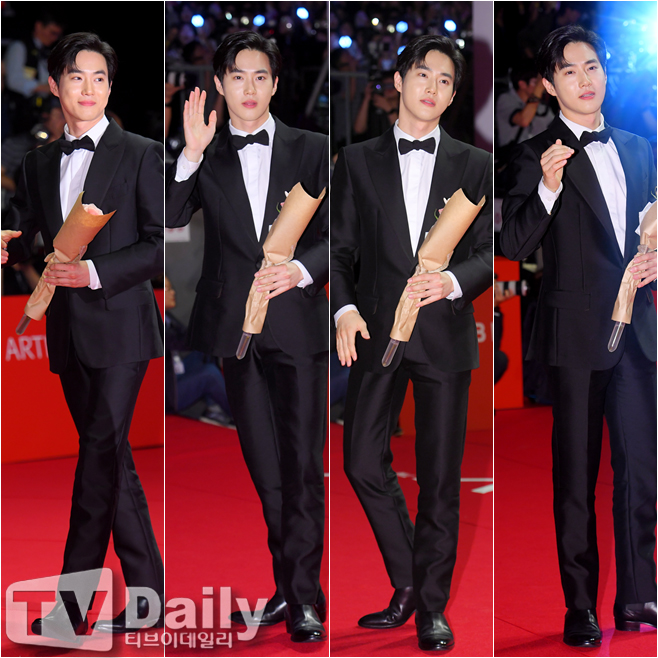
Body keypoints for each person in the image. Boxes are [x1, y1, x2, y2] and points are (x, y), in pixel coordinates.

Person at [165, 31, 329, 643]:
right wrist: (189, 153)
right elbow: (170, 216)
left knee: (302, 466)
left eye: (261, 76)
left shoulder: (312, 148)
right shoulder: (205, 153)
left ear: (276, 84)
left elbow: (339, 236)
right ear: (220, 84)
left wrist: (303, 270)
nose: (250, 88)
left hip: (297, 324)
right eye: (238, 76)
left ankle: (304, 596)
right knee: (266, 470)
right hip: (235, 330)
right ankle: (290, 586)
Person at [331, 34, 492, 651]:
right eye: (423, 74)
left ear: (452, 96)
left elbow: (486, 254)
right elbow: (341, 250)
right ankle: (409, 577)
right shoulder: (357, 159)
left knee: (440, 479)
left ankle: (431, 607)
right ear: (399, 81)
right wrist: (344, 308)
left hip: (445, 336)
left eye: (446, 81)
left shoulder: (475, 164)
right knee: (359, 461)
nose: (433, 88)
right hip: (376, 332)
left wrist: (450, 282)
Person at [3, 32, 164, 637]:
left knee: (97, 459)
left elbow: (158, 247)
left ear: (110, 87)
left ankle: (71, 610)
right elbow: (34, 233)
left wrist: (93, 271)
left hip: (122, 328)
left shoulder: (142, 152)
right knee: (113, 462)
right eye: (77, 77)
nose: (89, 88)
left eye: (100, 77)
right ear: (54, 85)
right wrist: (10, 243)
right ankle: (148, 596)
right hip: (68, 333)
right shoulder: (38, 162)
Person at [500, 25, 657, 647]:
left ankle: (639, 596)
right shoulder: (534, 154)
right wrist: (546, 188)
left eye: (592, 66)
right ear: (549, 84)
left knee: (640, 472)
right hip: (575, 337)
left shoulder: (640, 148)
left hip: (638, 331)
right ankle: (580, 605)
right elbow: (514, 244)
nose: (585, 79)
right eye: (569, 70)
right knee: (576, 479)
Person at [164, 275, 234, 428]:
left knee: (205, 350)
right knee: (209, 374)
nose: (173, 292)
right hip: (165, 394)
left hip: (174, 374)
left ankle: (214, 407)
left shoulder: (167, 317)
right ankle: (242, 418)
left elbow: (187, 336)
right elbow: (181, 342)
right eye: (167, 289)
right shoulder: (153, 322)